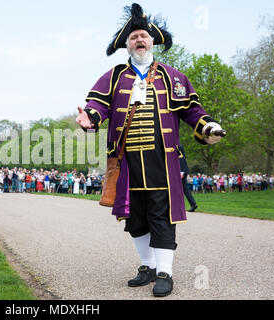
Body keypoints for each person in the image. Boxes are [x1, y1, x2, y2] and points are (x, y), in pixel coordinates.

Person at [75, 3, 224, 297]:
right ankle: (148, 266)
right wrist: (89, 118)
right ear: (127, 45)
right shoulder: (115, 76)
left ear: (152, 40)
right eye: (134, 38)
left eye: (143, 36)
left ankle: (165, 272)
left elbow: (192, 110)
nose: (139, 40)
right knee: (136, 217)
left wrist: (208, 127)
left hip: (163, 159)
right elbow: (97, 106)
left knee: (162, 215)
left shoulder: (173, 76)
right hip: (128, 160)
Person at [178, 145, 197, 212]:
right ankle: (193, 204)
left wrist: (182, 171)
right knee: (184, 189)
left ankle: (179, 206)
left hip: (180, 171)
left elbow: (181, 158)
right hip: (180, 170)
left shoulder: (177, 145)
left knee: (183, 189)